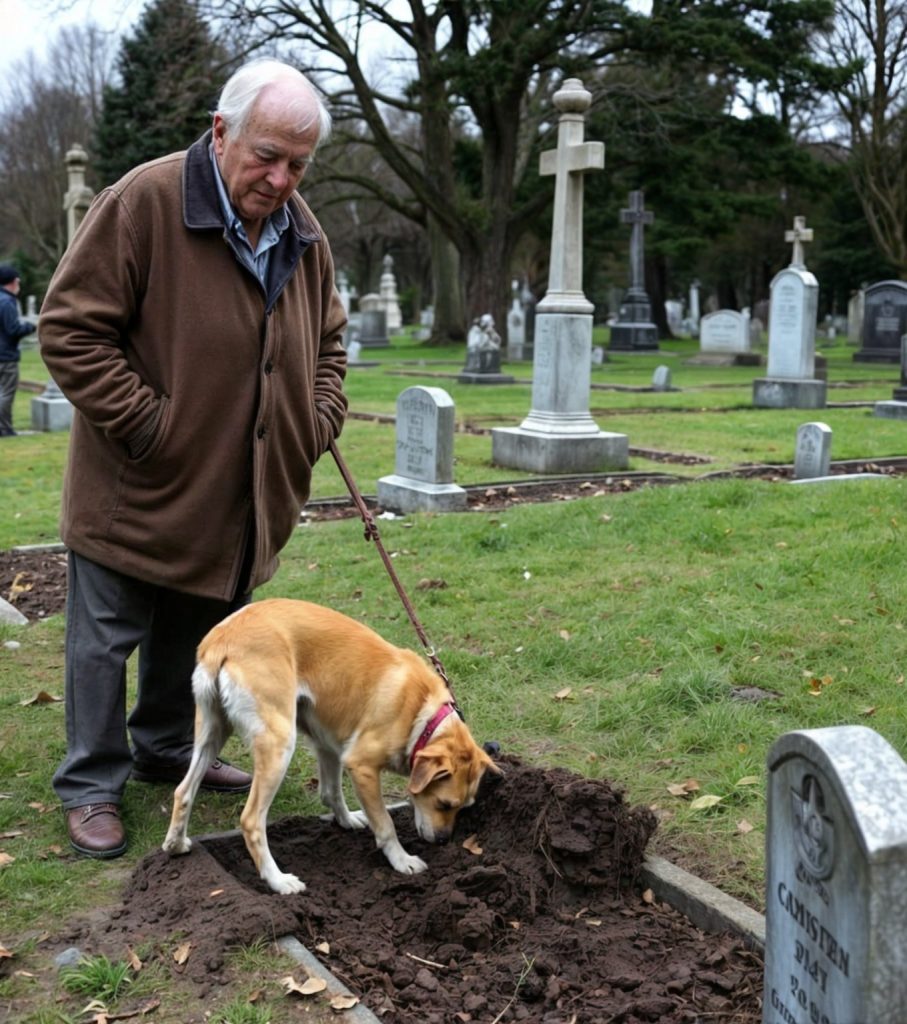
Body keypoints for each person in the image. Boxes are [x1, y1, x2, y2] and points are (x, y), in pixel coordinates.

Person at [39, 59, 348, 859]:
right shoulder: (144, 202)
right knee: (106, 640)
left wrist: (314, 420)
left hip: (239, 491)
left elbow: (330, 342)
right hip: (138, 483)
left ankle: (167, 748)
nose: (281, 179)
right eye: (267, 156)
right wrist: (149, 426)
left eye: (298, 164)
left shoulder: (302, 232)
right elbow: (70, 329)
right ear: (222, 132)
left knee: (197, 621)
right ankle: (92, 782)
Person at [0, 264, 37, 436]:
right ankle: (5, 429)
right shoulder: (7, 302)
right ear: (14, 282)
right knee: (6, 394)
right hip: (5, 357)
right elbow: (13, 330)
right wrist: (31, 326)